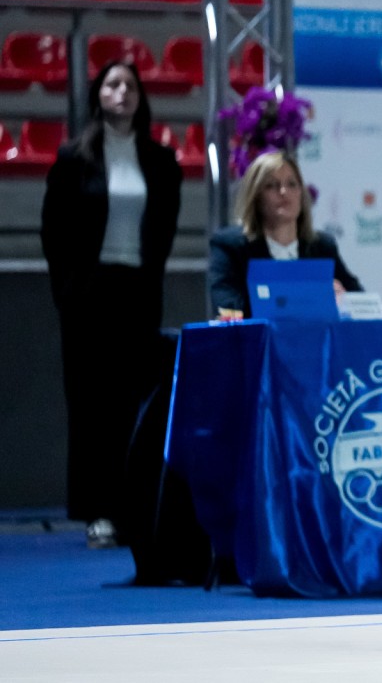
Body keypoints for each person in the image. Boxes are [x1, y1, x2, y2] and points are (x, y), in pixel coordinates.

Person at [41, 61, 182, 549]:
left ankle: (132, 510)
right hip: (88, 294)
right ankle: (96, 511)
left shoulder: (160, 160)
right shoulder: (73, 158)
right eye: (112, 84)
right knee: (90, 406)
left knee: (132, 404)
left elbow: (164, 228)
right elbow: (53, 230)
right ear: (98, 96)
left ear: (141, 97)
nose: (122, 92)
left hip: (137, 291)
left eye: (130, 86)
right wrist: (66, 293)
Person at [208, 150, 361, 319]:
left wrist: (344, 299)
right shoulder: (231, 246)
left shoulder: (322, 246)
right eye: (271, 185)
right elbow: (227, 307)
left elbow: (361, 302)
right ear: (255, 196)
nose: (283, 191)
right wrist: (308, 297)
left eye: (292, 184)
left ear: (301, 193)